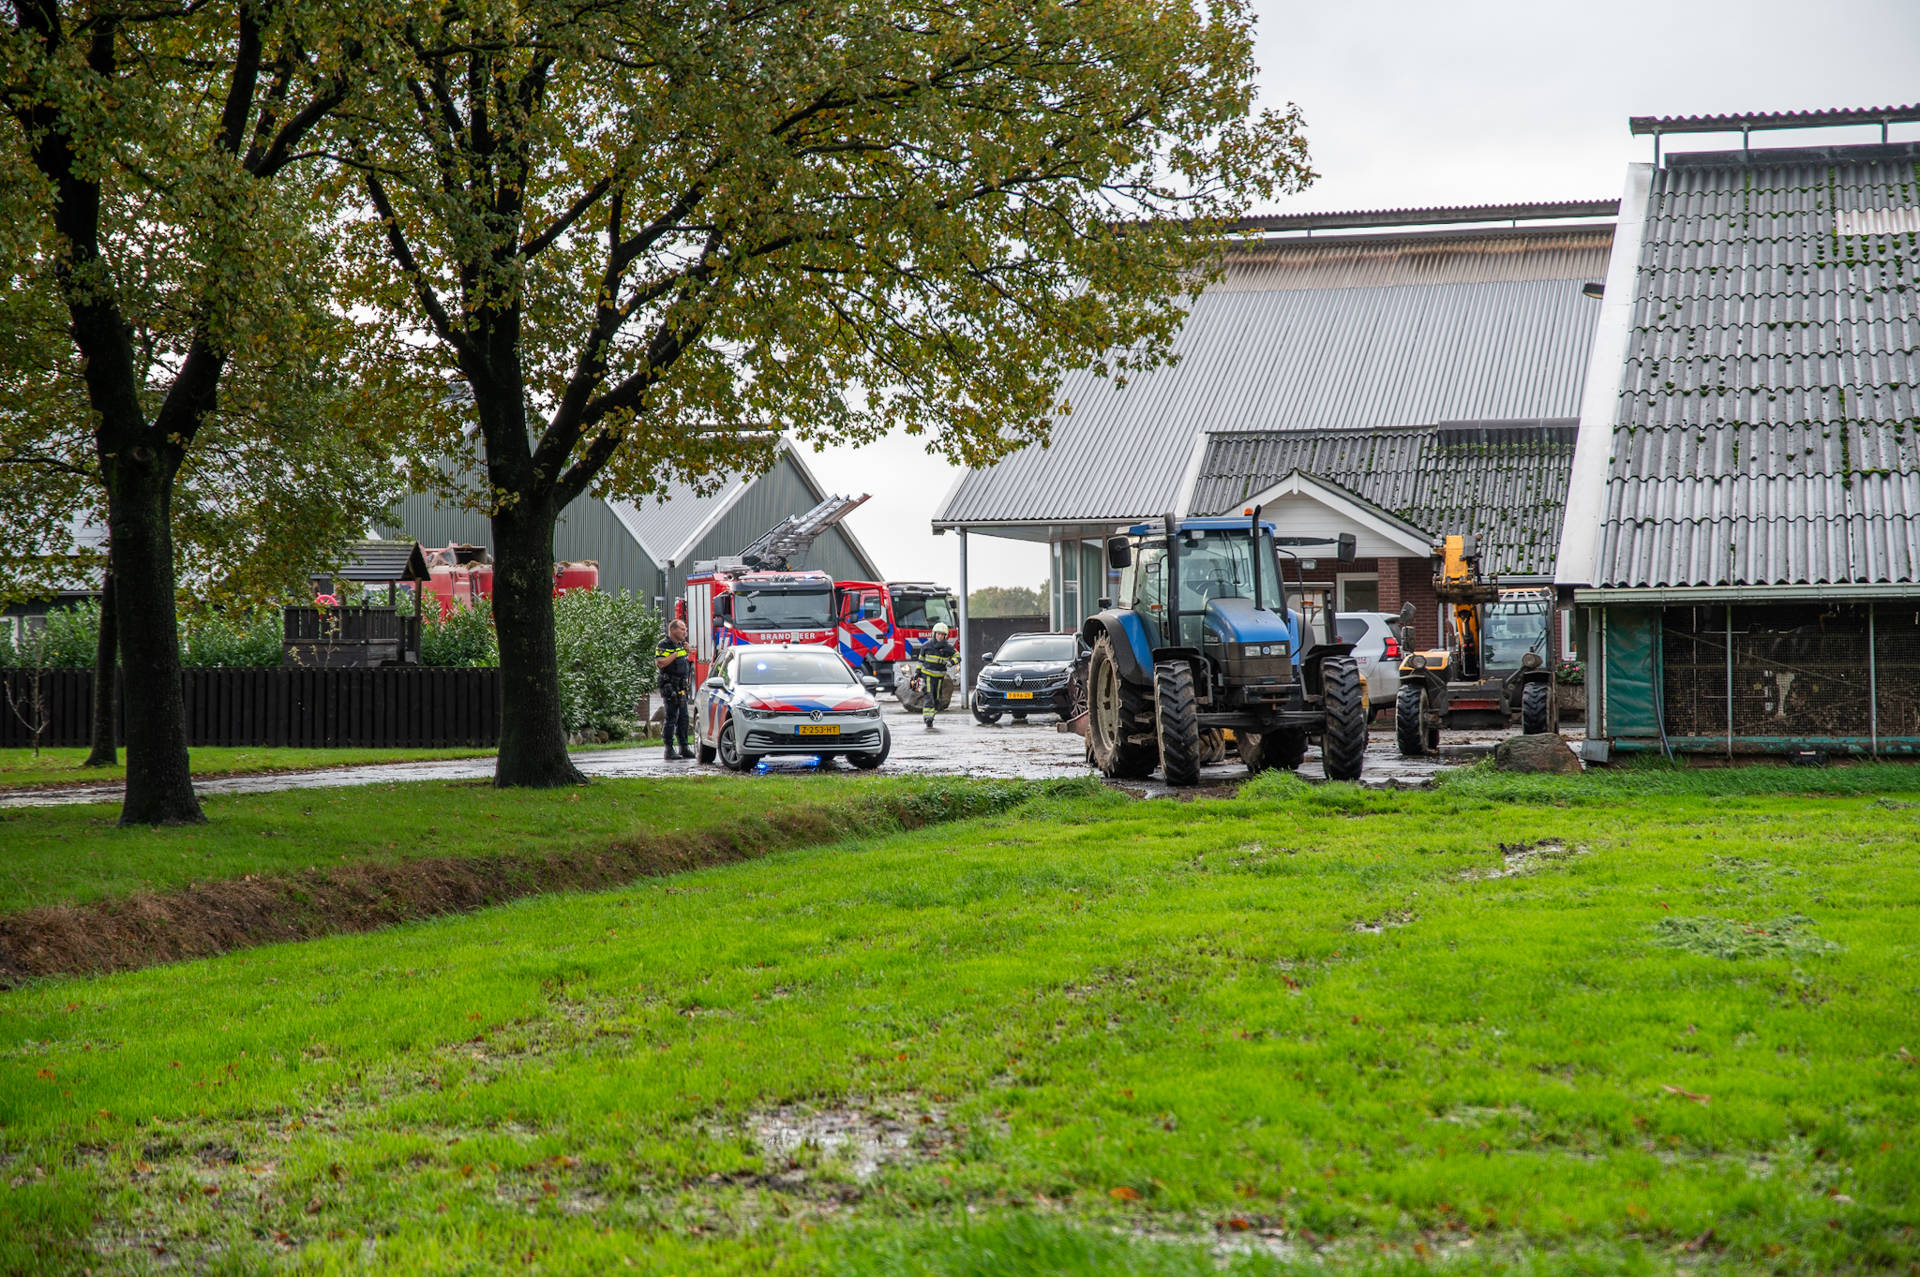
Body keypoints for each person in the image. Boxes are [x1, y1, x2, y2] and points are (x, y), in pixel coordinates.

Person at [654, 619, 695, 760]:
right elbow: (661, 663)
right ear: (673, 630)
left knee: (683, 718)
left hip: (681, 686)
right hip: (670, 686)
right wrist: (677, 653)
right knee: (671, 718)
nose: (685, 632)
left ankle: (684, 747)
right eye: (682, 629)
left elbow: (684, 665)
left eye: (685, 629)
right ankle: (669, 749)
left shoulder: (681, 645)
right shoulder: (664, 645)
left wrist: (686, 652)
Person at [916, 621, 957, 730]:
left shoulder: (948, 648)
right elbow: (920, 660)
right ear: (934, 634)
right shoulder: (926, 646)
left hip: (939, 677)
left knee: (936, 698)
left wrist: (951, 662)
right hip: (927, 676)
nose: (940, 636)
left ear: (945, 636)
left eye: (942, 634)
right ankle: (928, 718)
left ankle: (931, 715)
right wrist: (917, 674)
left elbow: (958, 656)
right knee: (928, 696)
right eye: (938, 634)